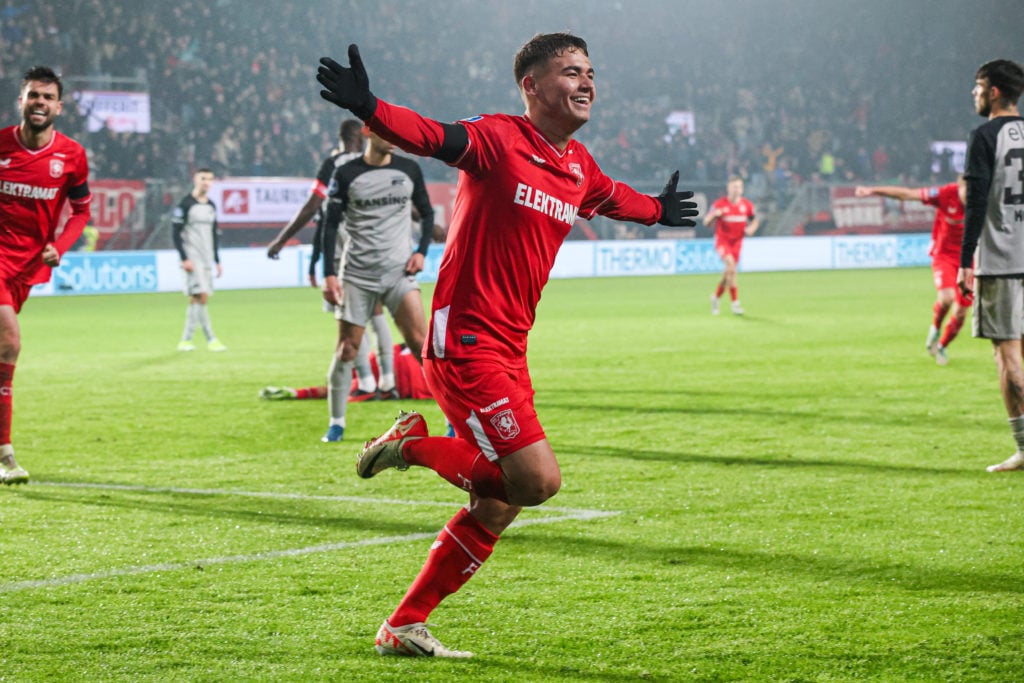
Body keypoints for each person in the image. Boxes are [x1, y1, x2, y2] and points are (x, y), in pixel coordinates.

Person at [316, 33, 698, 657]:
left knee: (496, 505)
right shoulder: (498, 140)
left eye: (591, 72)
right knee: (537, 481)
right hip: (466, 341)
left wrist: (657, 210)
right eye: (570, 71)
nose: (586, 82)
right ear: (531, 86)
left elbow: (612, 197)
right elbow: (433, 136)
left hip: (510, 349)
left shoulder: (577, 165)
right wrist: (372, 109)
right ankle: (412, 446)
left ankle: (402, 626)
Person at [0, 66, 91, 485]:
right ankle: (5, 454)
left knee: (3, 356)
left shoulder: (71, 155)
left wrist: (62, 246)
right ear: (21, 100)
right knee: (10, 343)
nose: (39, 103)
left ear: (59, 106)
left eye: (47, 97)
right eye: (33, 95)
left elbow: (82, 210)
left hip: (27, 268)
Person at [266, 119, 397, 404]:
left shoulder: (334, 164)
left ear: (339, 138)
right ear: (360, 139)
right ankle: (388, 381)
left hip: (344, 250)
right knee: (376, 313)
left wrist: (282, 239)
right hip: (377, 246)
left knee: (352, 317)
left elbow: (314, 207)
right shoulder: (375, 162)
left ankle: (364, 382)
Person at [317, 126, 435, 442]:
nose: (396, 140)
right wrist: (328, 273)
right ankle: (336, 423)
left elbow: (426, 213)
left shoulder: (408, 169)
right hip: (357, 273)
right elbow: (329, 226)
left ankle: (454, 420)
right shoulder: (346, 172)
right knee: (347, 348)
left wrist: (421, 252)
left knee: (423, 347)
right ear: (369, 132)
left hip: (399, 272)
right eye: (389, 133)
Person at [956, 59, 1024, 473]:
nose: (974, 94)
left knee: (1008, 357)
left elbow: (977, 200)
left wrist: (965, 260)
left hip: (1001, 259)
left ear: (994, 91)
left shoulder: (984, 136)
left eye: (978, 87)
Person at [855, 177, 969, 365]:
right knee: (947, 297)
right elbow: (907, 194)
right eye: (968, 193)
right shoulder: (944, 194)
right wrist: (873, 190)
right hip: (945, 256)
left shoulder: (985, 198)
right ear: (960, 187)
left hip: (969, 260)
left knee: (961, 313)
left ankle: (941, 346)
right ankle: (935, 327)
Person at [172, 168, 226, 352]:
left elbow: (214, 233)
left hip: (207, 258)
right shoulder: (185, 204)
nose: (207, 183)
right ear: (195, 180)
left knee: (198, 298)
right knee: (201, 296)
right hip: (192, 257)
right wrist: (184, 258)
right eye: (203, 178)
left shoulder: (211, 205)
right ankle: (211, 338)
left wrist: (217, 260)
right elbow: (175, 233)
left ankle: (186, 340)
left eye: (210, 179)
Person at [705, 176, 759, 315]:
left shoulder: (746, 205)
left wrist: (752, 229)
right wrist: (714, 216)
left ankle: (716, 297)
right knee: (731, 267)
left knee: (728, 272)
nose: (737, 189)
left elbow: (754, 220)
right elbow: (706, 222)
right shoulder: (719, 204)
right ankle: (735, 303)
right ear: (728, 188)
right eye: (734, 186)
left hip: (737, 242)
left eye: (739, 187)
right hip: (722, 241)